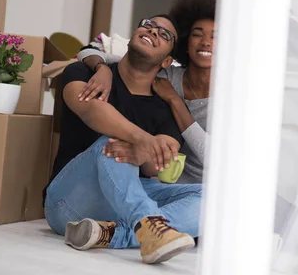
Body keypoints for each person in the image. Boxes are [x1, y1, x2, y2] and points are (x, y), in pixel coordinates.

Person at [76, 0, 298, 252]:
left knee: (244, 200)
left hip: (220, 181)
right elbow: (90, 49)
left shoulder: (233, 91)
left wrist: (176, 103)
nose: (206, 41)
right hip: (180, 187)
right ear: (184, 41)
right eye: (197, 33)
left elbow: (215, 159)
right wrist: (101, 68)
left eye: (216, 35)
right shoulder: (167, 75)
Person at [44, 14, 202, 265]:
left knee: (211, 200)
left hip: (121, 206)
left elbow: (157, 166)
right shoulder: (84, 71)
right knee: (114, 143)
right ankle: (147, 226)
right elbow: (91, 110)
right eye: (149, 25)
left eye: (164, 35)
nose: (153, 31)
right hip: (67, 201)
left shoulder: (165, 107)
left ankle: (112, 234)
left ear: (167, 61)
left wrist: (144, 156)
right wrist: (141, 142)